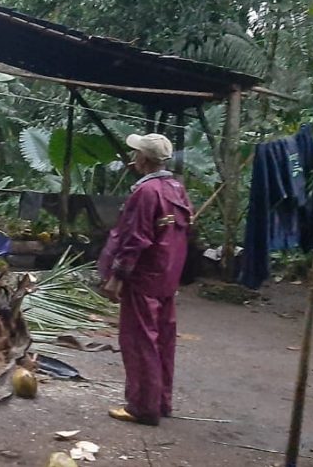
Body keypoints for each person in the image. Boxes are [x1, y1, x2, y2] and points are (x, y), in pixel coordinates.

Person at [99, 133, 192, 426]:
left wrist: (117, 276)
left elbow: (136, 238)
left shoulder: (146, 192)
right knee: (163, 339)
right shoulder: (176, 188)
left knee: (140, 340)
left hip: (144, 276)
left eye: (137, 152)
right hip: (167, 275)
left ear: (144, 159)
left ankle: (142, 407)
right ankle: (161, 401)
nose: (133, 157)